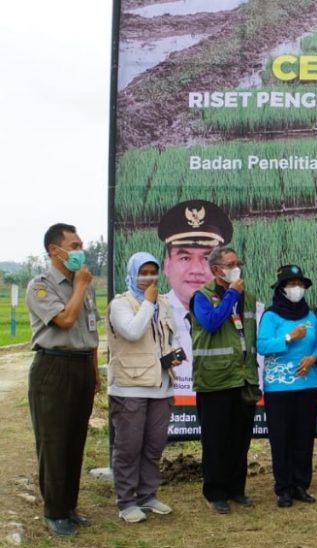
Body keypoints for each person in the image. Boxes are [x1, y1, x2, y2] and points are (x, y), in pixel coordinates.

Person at [25, 223, 100, 537]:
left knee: (75, 440)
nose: (80, 251)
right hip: (53, 368)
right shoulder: (41, 286)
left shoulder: (85, 284)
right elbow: (66, 320)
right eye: (74, 246)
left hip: (82, 367)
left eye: (81, 245)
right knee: (54, 442)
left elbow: (92, 332)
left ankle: (69, 506)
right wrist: (80, 286)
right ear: (54, 251)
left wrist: (94, 373)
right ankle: (54, 512)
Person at [107, 252, 179, 523]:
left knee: (154, 446)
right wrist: (148, 303)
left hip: (161, 386)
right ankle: (126, 501)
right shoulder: (120, 304)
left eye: (153, 272)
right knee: (129, 447)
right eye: (143, 272)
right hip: (130, 387)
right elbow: (133, 332)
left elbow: (172, 336)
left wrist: (174, 354)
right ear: (132, 274)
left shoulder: (164, 303)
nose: (149, 278)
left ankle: (147, 495)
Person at [190, 246, 259, 514]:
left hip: (243, 377)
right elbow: (211, 323)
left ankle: (236, 489)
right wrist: (231, 295)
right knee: (216, 439)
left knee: (240, 438)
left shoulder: (247, 297)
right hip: (215, 379)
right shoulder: (202, 296)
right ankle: (215, 492)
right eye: (230, 264)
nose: (236, 268)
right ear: (216, 269)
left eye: (238, 263)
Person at [256, 265, 317, 508]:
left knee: (304, 438)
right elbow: (262, 346)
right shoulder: (271, 316)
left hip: (308, 384)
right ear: (282, 289)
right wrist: (289, 337)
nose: (297, 288)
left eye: (300, 284)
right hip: (279, 388)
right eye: (292, 284)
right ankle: (283, 488)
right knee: (281, 438)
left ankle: (300, 485)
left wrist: (314, 358)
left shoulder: (310, 315)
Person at [157, 200, 233, 394]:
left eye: (207, 258)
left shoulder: (247, 311)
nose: (197, 270)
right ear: (167, 265)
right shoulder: (153, 313)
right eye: (184, 258)